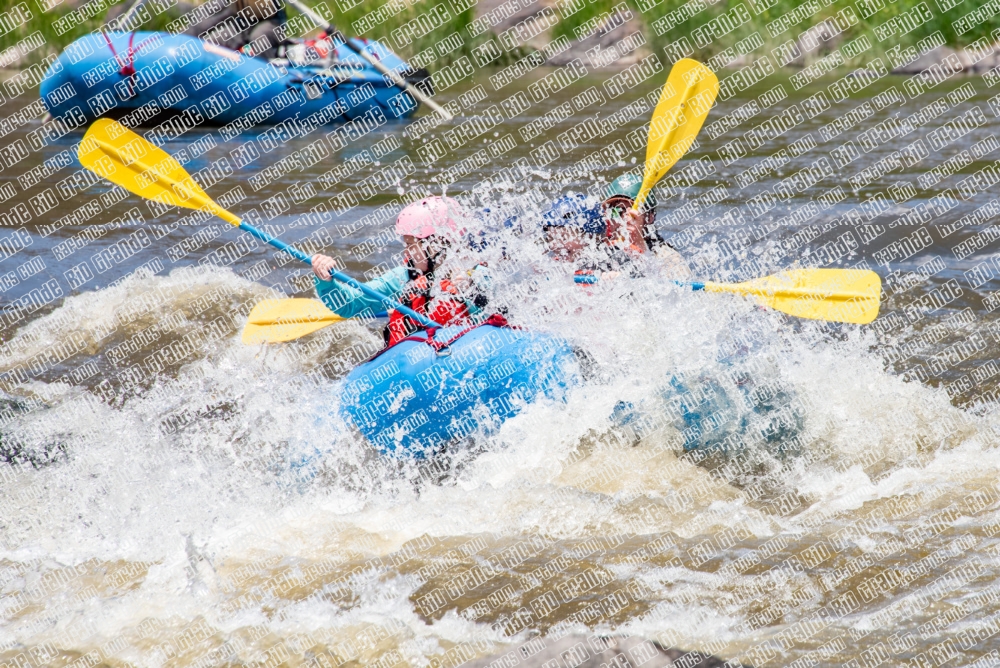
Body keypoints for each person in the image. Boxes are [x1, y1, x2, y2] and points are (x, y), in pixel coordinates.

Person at [311, 196, 490, 347]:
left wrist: (472, 292)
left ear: (436, 244)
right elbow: (350, 304)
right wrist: (325, 279)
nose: (406, 253)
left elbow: (500, 311)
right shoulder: (404, 277)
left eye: (411, 245)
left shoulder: (477, 274)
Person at [601, 173, 691, 279]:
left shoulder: (668, 257)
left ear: (649, 218)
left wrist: (639, 245)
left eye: (632, 214)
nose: (624, 219)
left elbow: (678, 290)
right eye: (615, 211)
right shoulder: (596, 251)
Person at [183, 0, 287, 59]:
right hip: (243, 20)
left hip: (271, 21)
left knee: (259, 37)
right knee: (215, 40)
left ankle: (266, 82)